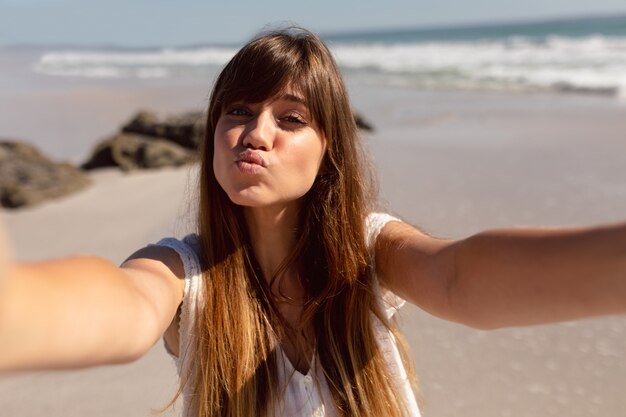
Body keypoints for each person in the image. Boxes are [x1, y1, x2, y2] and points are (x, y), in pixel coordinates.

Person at [0, 27, 625, 417]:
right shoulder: (186, 275)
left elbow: (459, 277)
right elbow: (125, 309)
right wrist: (19, 308)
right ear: (213, 133)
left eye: (291, 118)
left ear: (330, 150)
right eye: (238, 110)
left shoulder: (368, 253)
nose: (255, 133)